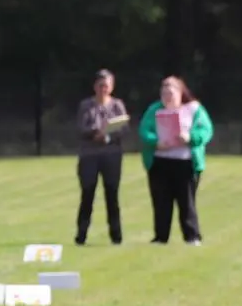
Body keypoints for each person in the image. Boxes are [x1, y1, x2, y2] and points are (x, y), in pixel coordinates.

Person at [138, 75, 213, 246]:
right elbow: (144, 130)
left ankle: (192, 236)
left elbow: (206, 130)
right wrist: (156, 142)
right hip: (160, 162)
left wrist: (190, 137)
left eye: (171, 94)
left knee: (186, 201)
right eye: (164, 94)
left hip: (185, 163)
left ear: (180, 93)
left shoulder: (194, 109)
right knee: (161, 201)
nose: (167, 98)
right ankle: (160, 236)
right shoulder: (154, 110)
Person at [74, 69, 128, 246]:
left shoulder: (117, 105)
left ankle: (116, 236)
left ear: (111, 87)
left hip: (111, 155)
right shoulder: (86, 105)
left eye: (106, 85)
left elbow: (123, 128)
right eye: (100, 85)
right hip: (90, 155)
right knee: (87, 193)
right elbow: (82, 128)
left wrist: (107, 136)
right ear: (94, 86)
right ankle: (81, 235)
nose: (103, 89)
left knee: (112, 194)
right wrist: (95, 134)